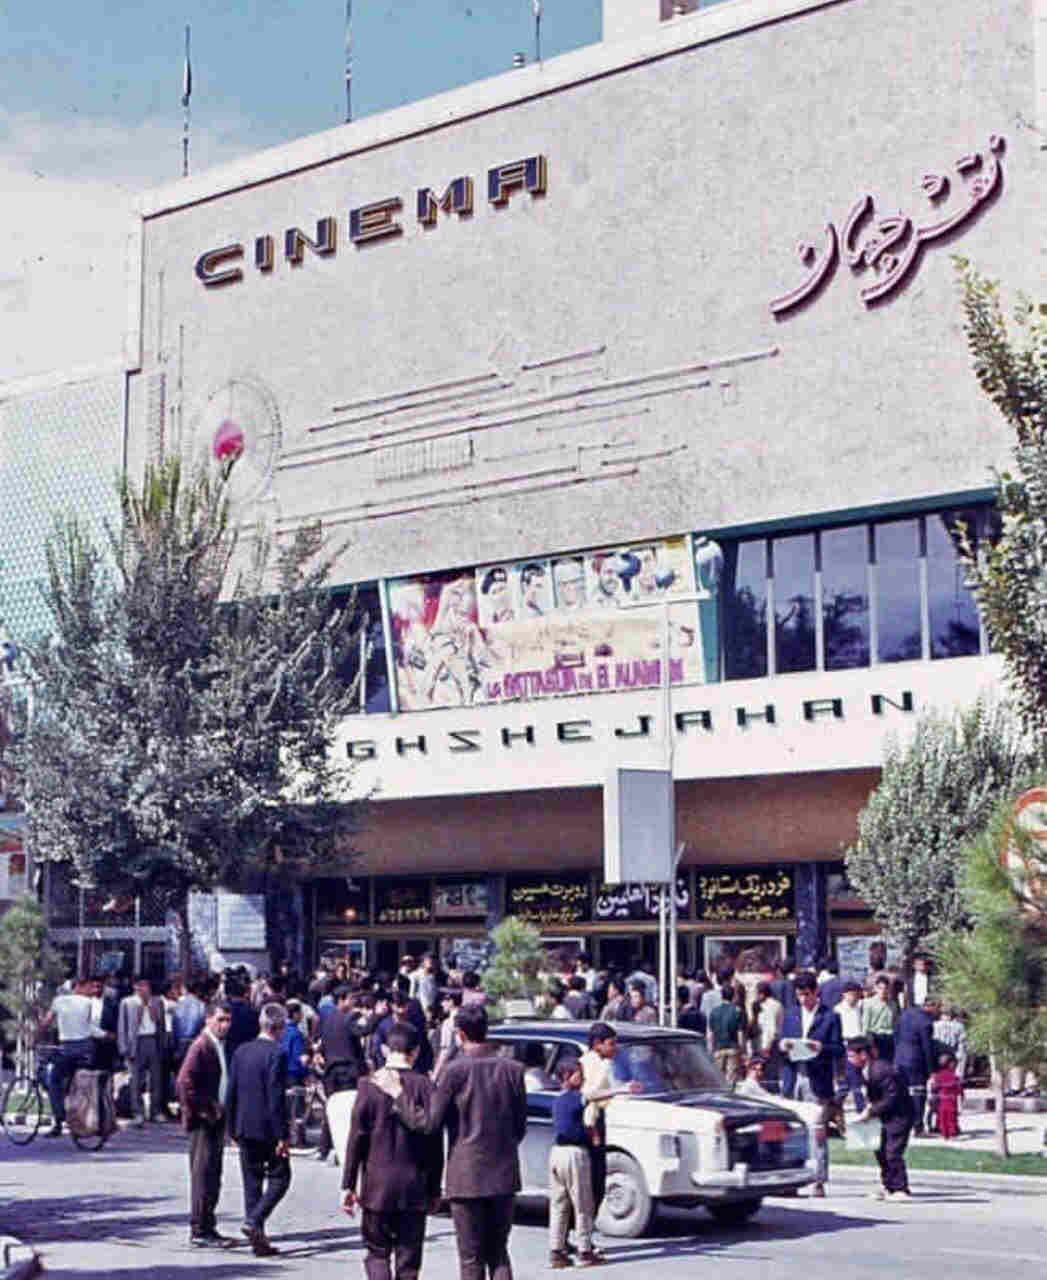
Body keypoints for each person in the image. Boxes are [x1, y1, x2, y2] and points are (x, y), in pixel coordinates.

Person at [381, 1002, 527, 1280]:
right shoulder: (513, 1070)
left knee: (471, 1257)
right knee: (499, 1252)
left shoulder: (454, 1071)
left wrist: (399, 1097)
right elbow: (519, 1127)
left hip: (466, 1173)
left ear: (459, 1034)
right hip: (504, 1172)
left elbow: (429, 1123)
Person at [342, 1023, 444, 1280]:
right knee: (409, 1262)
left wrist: (348, 1184)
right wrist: (434, 1189)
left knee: (377, 1253)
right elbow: (435, 1143)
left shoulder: (368, 1085)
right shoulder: (426, 1086)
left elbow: (356, 1138)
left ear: (385, 1049)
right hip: (415, 1186)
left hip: (377, 1187)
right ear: (416, 1051)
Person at [227, 1002, 292, 1256]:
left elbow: (231, 1090)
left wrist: (231, 1126)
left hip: (244, 1125)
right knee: (280, 1178)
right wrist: (282, 1135)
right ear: (279, 1027)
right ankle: (255, 1221)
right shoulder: (277, 1053)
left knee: (251, 1182)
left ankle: (257, 1238)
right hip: (267, 1128)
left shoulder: (242, 1051)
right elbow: (275, 1097)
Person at [176, 1000, 236, 1248]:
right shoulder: (201, 1045)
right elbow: (184, 1083)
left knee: (213, 1175)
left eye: (228, 1020)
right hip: (204, 1122)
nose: (225, 1025)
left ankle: (208, 1226)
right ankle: (199, 1229)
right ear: (208, 1019)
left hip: (216, 1119)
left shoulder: (218, 1044)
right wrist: (205, 1110)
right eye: (220, 1019)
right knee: (203, 1175)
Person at [780, 971, 843, 1198]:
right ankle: (790, 1180)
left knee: (817, 1131)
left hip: (817, 1078)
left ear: (816, 992)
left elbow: (838, 1049)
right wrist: (783, 1045)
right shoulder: (791, 1014)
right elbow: (782, 1041)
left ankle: (818, 1180)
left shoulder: (830, 1016)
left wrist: (821, 1048)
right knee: (791, 1130)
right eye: (799, 995)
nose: (803, 999)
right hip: (793, 1075)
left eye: (807, 994)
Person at [548, 1059, 606, 1269]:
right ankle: (584, 1251)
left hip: (556, 1153)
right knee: (583, 1205)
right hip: (574, 1154)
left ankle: (556, 1251)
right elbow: (592, 1096)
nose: (583, 1078)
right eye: (579, 1074)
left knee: (559, 1205)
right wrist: (623, 1089)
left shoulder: (557, 1100)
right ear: (567, 1076)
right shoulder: (573, 1098)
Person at [40, 974, 108, 1138]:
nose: (92, 991)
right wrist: (106, 1035)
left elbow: (46, 1023)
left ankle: (59, 1121)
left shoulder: (58, 1001)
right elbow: (88, 1027)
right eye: (89, 987)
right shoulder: (88, 1003)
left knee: (54, 1080)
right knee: (85, 1081)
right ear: (79, 987)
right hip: (86, 1048)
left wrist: (37, 1034)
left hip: (67, 1048)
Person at [847, 1035, 914, 1200]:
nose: (849, 1060)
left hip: (900, 1115)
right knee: (881, 1150)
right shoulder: (865, 1070)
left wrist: (871, 1111)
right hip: (885, 1115)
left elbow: (892, 1096)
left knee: (893, 1152)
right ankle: (889, 1186)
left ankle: (901, 1189)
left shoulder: (882, 1070)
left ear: (863, 1054)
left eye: (852, 1055)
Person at [316, 983, 367, 1162]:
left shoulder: (326, 1019)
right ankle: (344, 1148)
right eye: (351, 998)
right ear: (342, 1000)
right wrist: (377, 1016)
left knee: (331, 1108)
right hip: (347, 1071)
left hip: (331, 1071)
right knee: (347, 1110)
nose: (354, 1002)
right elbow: (364, 1031)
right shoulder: (348, 1018)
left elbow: (322, 1043)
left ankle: (324, 1147)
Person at [118, 975, 170, 1126]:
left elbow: (161, 1024)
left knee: (156, 1078)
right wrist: (123, 1047)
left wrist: (163, 1044)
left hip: (153, 1039)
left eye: (146, 985)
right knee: (136, 1079)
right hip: (136, 1042)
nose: (144, 989)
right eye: (141, 985)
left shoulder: (157, 1002)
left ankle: (155, 1111)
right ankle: (137, 1112)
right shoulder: (127, 1002)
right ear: (135, 987)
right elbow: (122, 1025)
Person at [894, 997, 936, 1136]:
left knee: (903, 1094)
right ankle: (917, 1127)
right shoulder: (926, 1022)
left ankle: (902, 1124)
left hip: (900, 1058)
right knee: (918, 1094)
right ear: (930, 1006)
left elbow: (896, 1036)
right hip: (916, 1061)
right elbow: (927, 1047)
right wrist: (931, 1070)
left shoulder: (905, 1014)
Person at [707, 985, 744, 1084]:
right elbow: (740, 1033)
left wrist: (711, 1050)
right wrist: (741, 1050)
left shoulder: (714, 1012)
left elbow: (710, 1034)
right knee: (731, 1080)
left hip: (718, 1048)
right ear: (733, 996)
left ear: (721, 996)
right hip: (733, 1048)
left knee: (718, 1079)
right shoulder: (737, 1011)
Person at [860, 973, 899, 1063]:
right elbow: (865, 1026)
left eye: (886, 988)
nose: (883, 991)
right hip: (875, 1037)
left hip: (889, 1038)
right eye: (880, 988)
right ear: (876, 988)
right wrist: (870, 1045)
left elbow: (895, 1023)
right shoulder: (868, 1003)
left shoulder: (893, 1004)